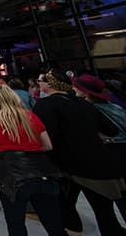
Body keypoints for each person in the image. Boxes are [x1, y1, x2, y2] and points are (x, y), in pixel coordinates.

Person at [33, 69, 125, 235]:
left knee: (65, 208)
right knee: (105, 214)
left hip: (67, 166)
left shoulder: (45, 105)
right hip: (99, 165)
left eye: (40, 81)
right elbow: (110, 129)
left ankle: (73, 231)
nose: (38, 84)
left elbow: (46, 137)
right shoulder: (84, 104)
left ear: (49, 84)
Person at [0, 84, 66, 236]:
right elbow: (47, 145)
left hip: (12, 176)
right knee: (54, 225)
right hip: (42, 173)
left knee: (16, 225)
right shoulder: (29, 115)